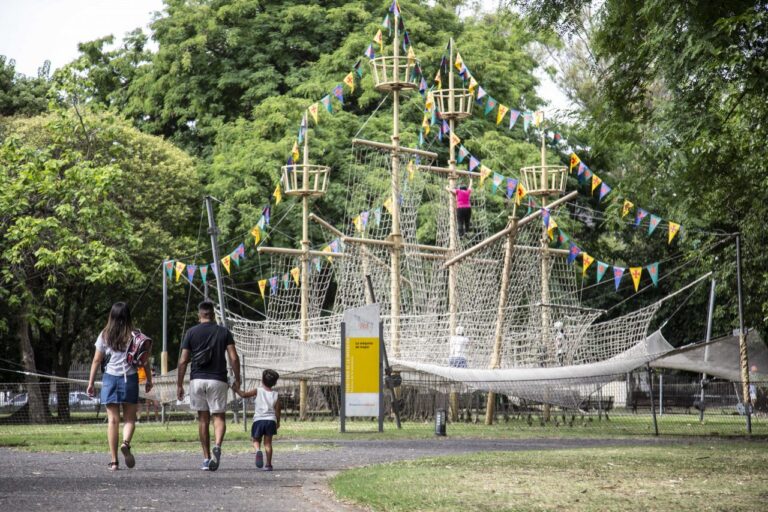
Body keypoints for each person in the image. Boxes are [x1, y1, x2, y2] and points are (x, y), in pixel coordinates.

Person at [87, 302, 153, 471]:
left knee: (113, 421)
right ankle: (126, 443)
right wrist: (149, 380)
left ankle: (114, 461)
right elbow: (144, 359)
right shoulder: (135, 335)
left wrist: (91, 382)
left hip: (110, 379)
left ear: (112, 316)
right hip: (129, 378)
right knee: (130, 419)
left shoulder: (104, 335)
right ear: (128, 316)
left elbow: (96, 360)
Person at [176, 301, 241, 472]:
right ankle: (217, 445)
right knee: (218, 417)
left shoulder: (191, 333)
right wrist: (237, 379)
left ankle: (206, 458)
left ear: (200, 315)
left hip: (197, 380)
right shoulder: (224, 332)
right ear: (213, 314)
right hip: (218, 380)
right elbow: (234, 358)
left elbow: (183, 360)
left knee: (203, 419)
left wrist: (179, 384)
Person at [236, 369, 282, 471]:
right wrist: (278, 422)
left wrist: (236, 389)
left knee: (256, 439)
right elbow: (278, 410)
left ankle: (257, 450)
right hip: (271, 421)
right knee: (268, 443)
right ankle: (268, 465)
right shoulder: (276, 394)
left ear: (262, 380)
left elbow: (243, 395)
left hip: (259, 420)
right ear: (274, 383)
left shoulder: (257, 390)